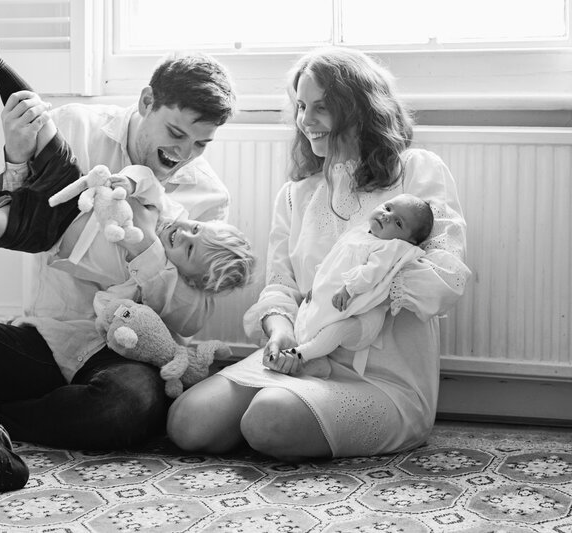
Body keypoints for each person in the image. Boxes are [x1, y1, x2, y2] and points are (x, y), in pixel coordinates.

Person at [0, 34, 240, 501]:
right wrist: (16, 154)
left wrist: (146, 241)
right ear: (147, 101)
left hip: (124, 353)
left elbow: (190, 319)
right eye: (176, 134)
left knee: (127, 407)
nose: (184, 155)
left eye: (201, 144)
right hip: (49, 335)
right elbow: (11, 223)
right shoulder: (73, 127)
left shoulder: (208, 198)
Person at [167, 47, 471, 462]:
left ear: (359, 109)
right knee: (187, 422)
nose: (305, 121)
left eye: (322, 108)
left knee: (267, 419)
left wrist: (365, 278)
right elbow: (279, 286)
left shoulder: (416, 172)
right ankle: (288, 414)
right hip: (303, 359)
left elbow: (443, 282)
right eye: (302, 106)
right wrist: (281, 332)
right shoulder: (297, 195)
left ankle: (289, 420)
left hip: (382, 378)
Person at [287, 192, 434, 378]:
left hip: (362, 319)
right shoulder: (358, 233)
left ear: (408, 240)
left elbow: (372, 273)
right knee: (308, 315)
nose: (387, 216)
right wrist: (316, 284)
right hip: (337, 299)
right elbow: (332, 261)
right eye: (387, 208)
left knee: (335, 329)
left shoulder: (389, 247)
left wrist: (349, 288)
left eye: (398, 223)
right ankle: (317, 362)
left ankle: (302, 354)